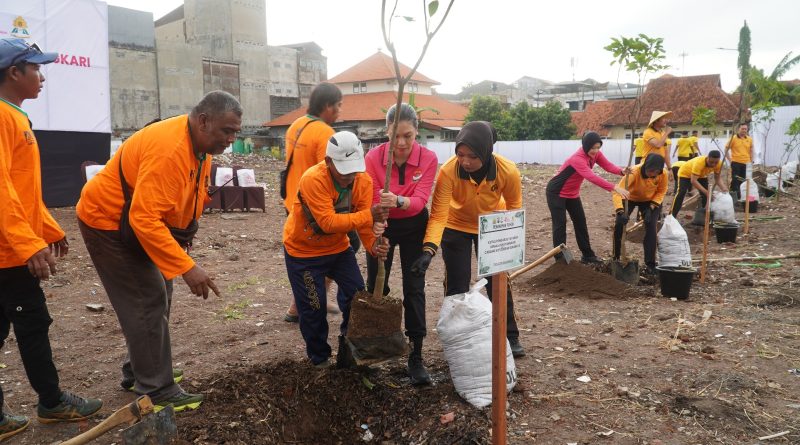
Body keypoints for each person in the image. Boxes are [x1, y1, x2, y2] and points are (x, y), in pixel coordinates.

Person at [77, 90, 242, 412]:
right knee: (146, 297)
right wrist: (187, 267)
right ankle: (157, 388)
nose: (231, 139)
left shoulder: (200, 149)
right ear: (203, 121)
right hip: (108, 223)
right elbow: (143, 218)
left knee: (160, 291)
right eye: (227, 130)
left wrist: (181, 244)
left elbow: (185, 198)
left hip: (138, 223)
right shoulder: (170, 150)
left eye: (236, 131)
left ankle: (140, 369)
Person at [0, 37, 102, 441]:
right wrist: (28, 244)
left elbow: (22, 189)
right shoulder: (2, 117)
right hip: (7, 253)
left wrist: (47, 226)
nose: (42, 77)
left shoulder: (15, 116)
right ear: (14, 72)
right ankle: (52, 403)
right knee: (33, 323)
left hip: (11, 245)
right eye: (36, 68)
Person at [410, 121, 526, 358]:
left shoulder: (508, 171)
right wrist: (428, 250)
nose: (465, 161)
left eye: (472, 156)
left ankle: (509, 335)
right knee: (457, 284)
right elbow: (439, 215)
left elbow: (514, 209)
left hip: (492, 225)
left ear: (486, 152)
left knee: (497, 281)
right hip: (456, 225)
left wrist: (509, 248)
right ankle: (459, 335)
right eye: (460, 154)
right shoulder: (448, 171)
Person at [283, 131, 389, 368]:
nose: (349, 177)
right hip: (304, 254)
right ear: (328, 161)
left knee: (357, 297)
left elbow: (363, 224)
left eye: (354, 170)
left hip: (338, 250)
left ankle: (349, 350)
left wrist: (374, 245)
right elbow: (328, 223)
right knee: (314, 307)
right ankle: (319, 359)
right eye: (344, 171)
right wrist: (370, 214)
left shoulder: (363, 181)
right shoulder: (313, 179)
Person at [364, 104, 437, 385]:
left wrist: (397, 200)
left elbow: (420, 201)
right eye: (396, 136)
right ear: (387, 131)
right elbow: (372, 198)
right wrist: (377, 226)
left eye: (408, 135)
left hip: (414, 227)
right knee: (377, 285)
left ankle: (415, 354)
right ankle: (374, 347)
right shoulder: (373, 158)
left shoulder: (428, 158)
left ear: (417, 131)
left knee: (414, 288)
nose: (402, 143)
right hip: (383, 224)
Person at [282, 82, 347, 322]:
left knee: (305, 255)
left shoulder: (295, 125)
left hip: (292, 202)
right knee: (333, 251)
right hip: (313, 208)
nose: (339, 111)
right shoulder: (325, 134)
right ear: (327, 106)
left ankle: (302, 303)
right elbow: (330, 175)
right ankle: (306, 302)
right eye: (338, 105)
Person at [545, 132, 630, 264]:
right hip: (556, 192)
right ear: (585, 146)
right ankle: (560, 258)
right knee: (560, 224)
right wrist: (614, 187)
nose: (595, 151)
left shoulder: (596, 154)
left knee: (580, 222)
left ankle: (587, 255)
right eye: (592, 148)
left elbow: (607, 165)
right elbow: (592, 177)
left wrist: (621, 171)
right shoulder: (577, 159)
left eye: (598, 147)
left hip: (572, 193)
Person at [612, 154, 668, 275]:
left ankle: (650, 264)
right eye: (650, 171)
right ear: (645, 166)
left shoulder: (663, 174)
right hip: (630, 198)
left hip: (650, 200)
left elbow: (661, 191)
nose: (652, 174)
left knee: (651, 227)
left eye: (656, 172)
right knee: (619, 225)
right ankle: (616, 258)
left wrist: (651, 208)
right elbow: (617, 192)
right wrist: (620, 211)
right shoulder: (634, 172)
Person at [670, 150, 728, 217]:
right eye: (711, 162)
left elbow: (717, 179)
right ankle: (672, 215)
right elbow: (693, 181)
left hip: (701, 175)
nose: (713, 164)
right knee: (681, 193)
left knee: (706, 196)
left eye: (716, 162)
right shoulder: (699, 163)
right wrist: (706, 192)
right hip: (685, 173)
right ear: (707, 158)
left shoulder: (719, 164)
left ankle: (704, 216)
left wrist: (724, 188)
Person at [725, 123, 753, 201]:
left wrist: (751, 160)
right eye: (742, 129)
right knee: (735, 180)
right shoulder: (733, 138)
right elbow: (726, 149)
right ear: (739, 129)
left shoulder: (749, 139)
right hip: (736, 162)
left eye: (745, 129)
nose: (744, 130)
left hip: (746, 163)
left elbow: (751, 149)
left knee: (743, 180)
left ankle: (741, 196)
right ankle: (734, 196)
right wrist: (730, 160)